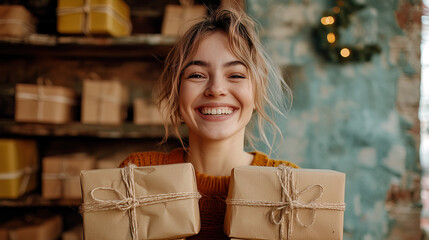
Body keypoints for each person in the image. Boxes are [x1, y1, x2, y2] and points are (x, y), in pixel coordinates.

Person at [120, 6, 298, 239]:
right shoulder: (136, 174)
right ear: (177, 92)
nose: (216, 89)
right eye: (196, 75)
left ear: (256, 93)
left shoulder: (289, 185)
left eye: (236, 75)